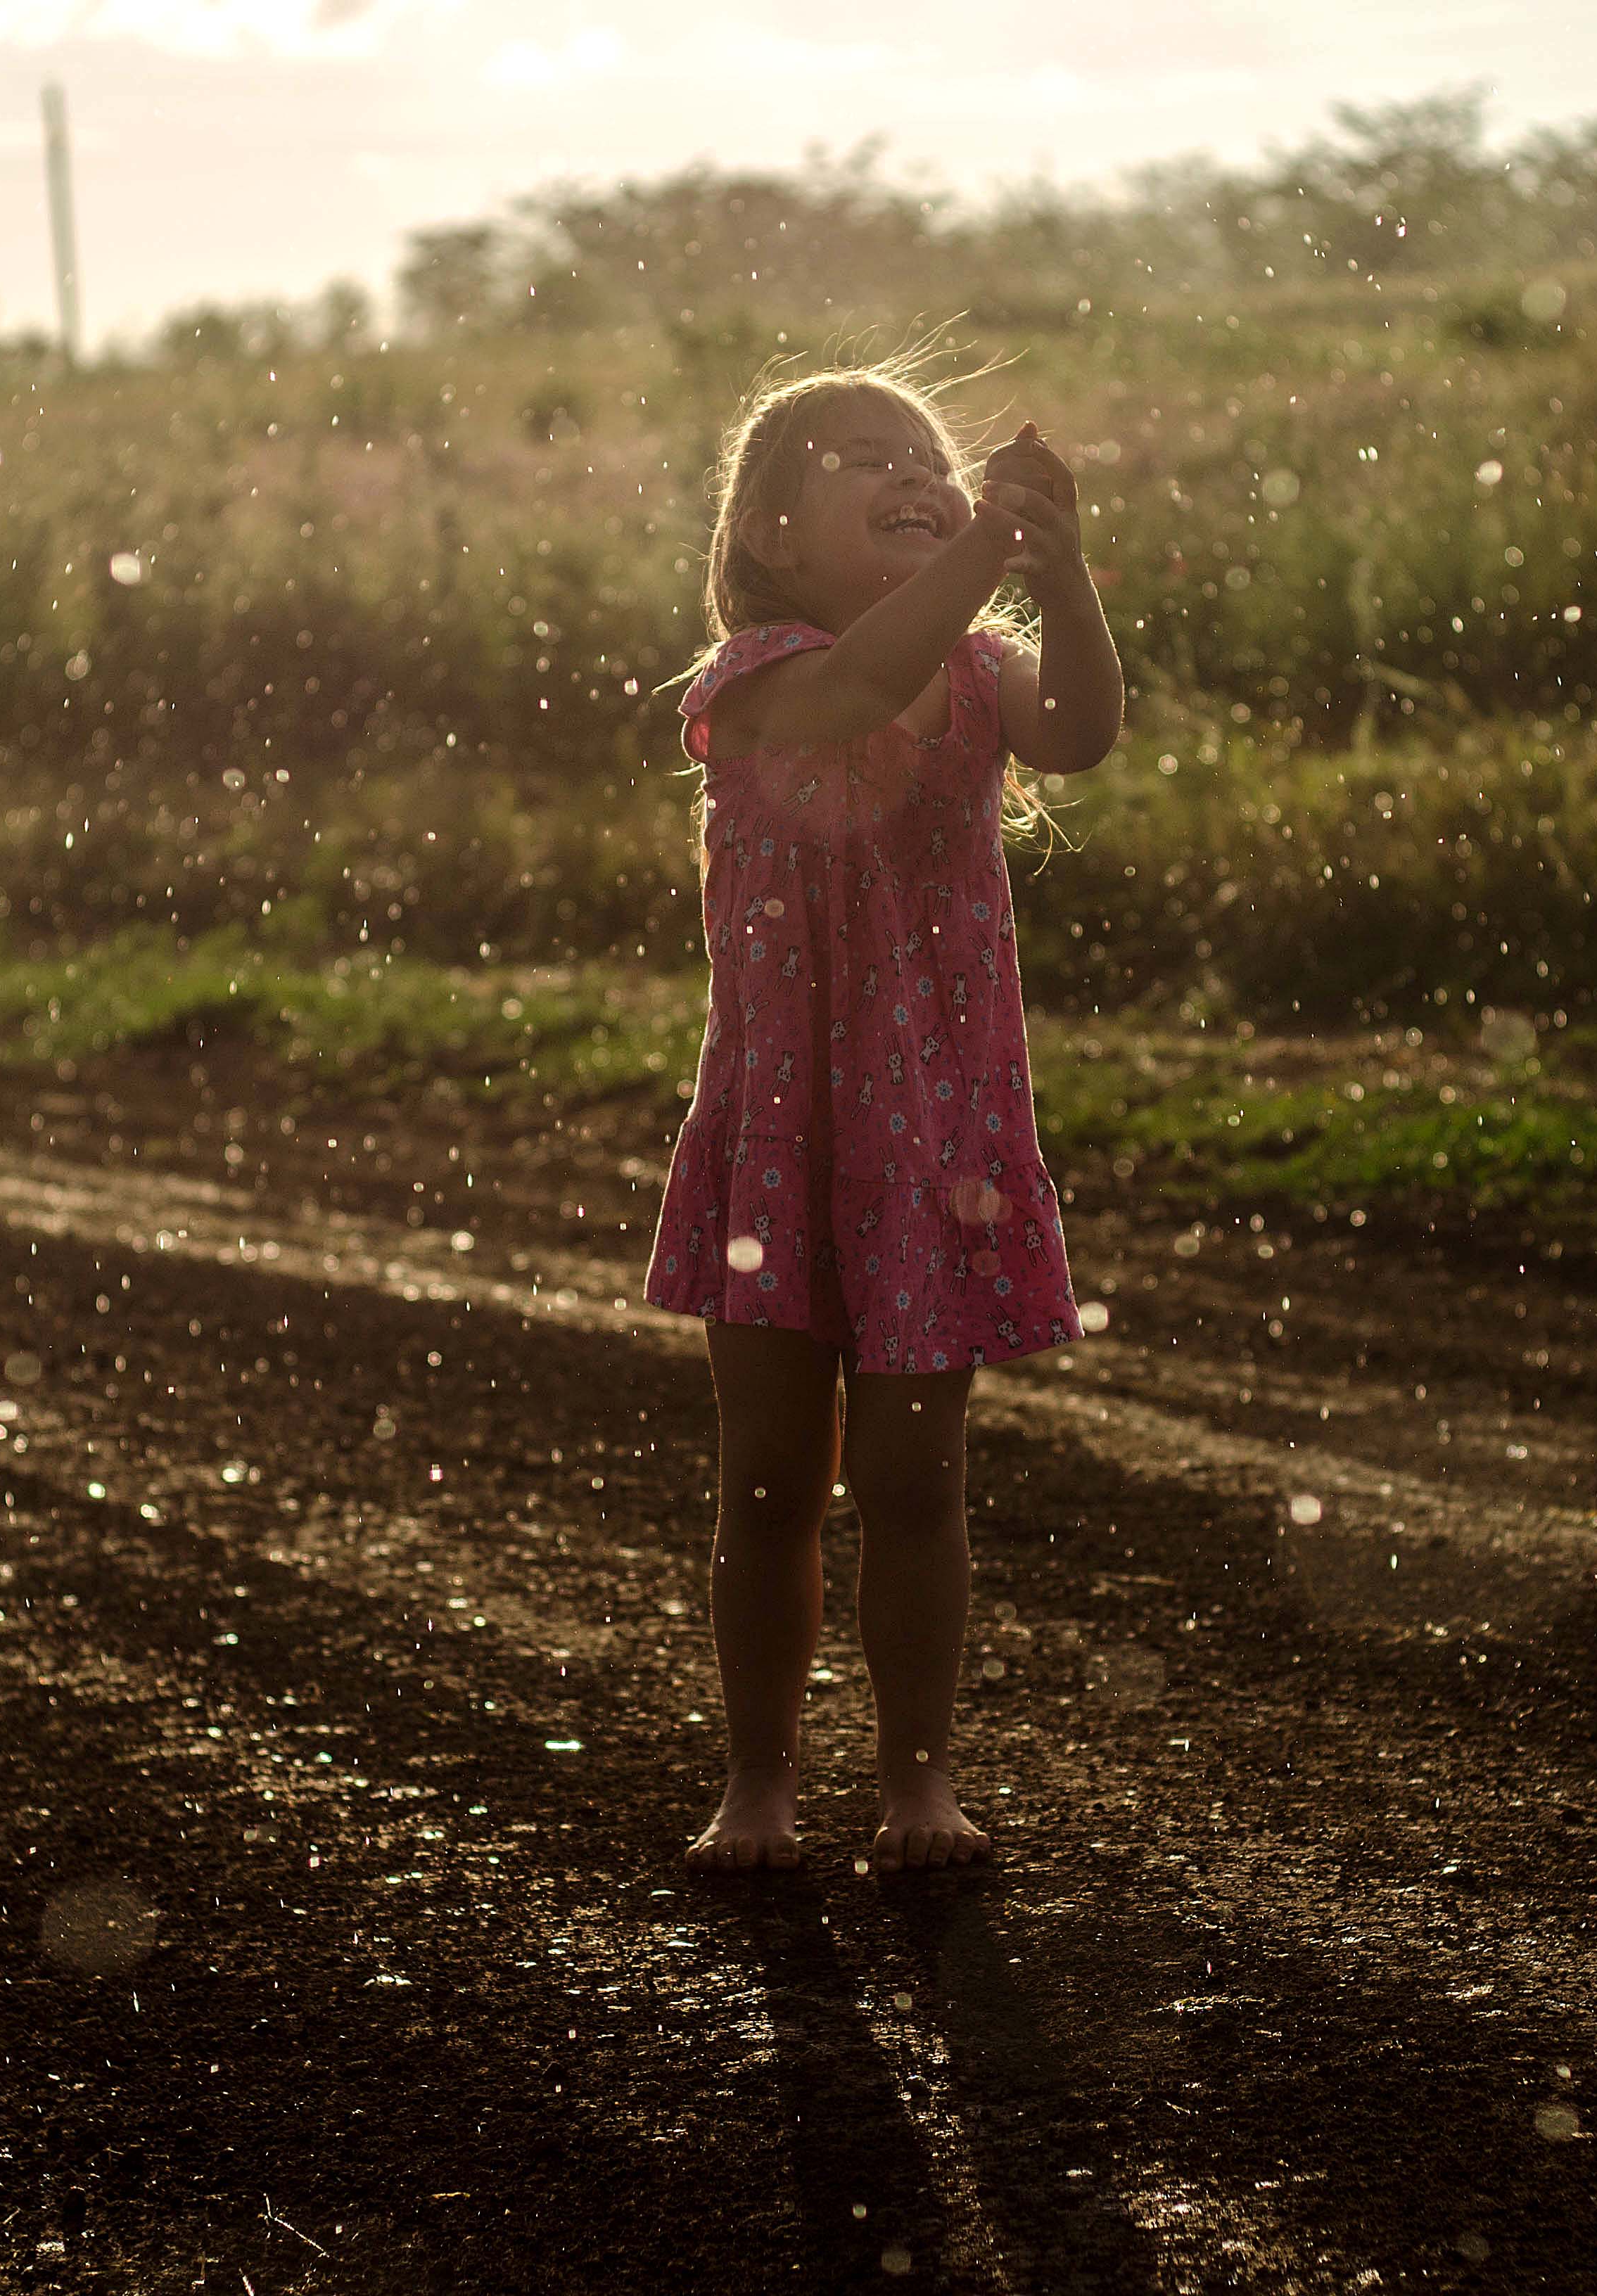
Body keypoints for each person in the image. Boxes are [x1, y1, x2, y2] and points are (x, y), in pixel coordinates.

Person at [644, 357, 1123, 1875]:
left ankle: (918, 1785)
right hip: (779, 1141)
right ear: (772, 535)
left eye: (924, 451)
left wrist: (1068, 570)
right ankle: (759, 1790)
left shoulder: (980, 670)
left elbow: (1082, 735)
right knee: (773, 1481)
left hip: (935, 1148)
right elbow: (855, 696)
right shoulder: (759, 675)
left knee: (917, 1485)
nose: (913, 471)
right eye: (862, 459)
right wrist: (989, 544)